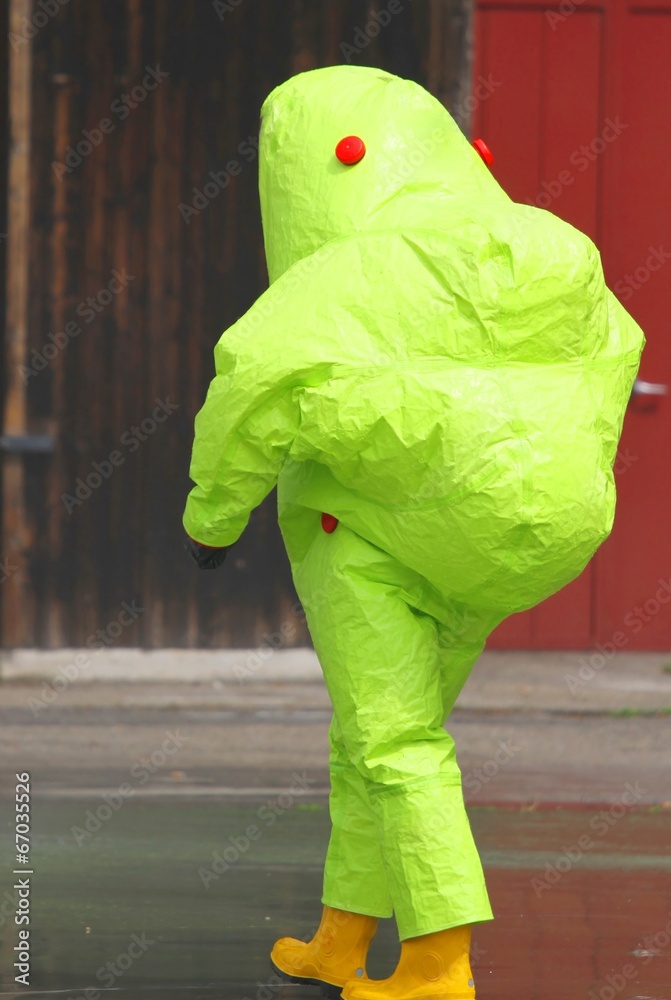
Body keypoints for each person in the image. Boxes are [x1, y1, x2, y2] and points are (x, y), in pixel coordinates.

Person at [183, 65, 644, 1000]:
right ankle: (341, 937)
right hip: (524, 537)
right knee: (375, 736)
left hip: (367, 533)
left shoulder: (345, 270)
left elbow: (250, 381)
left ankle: (437, 963)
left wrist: (212, 520)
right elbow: (618, 349)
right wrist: (550, 478)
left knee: (394, 744)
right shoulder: (555, 248)